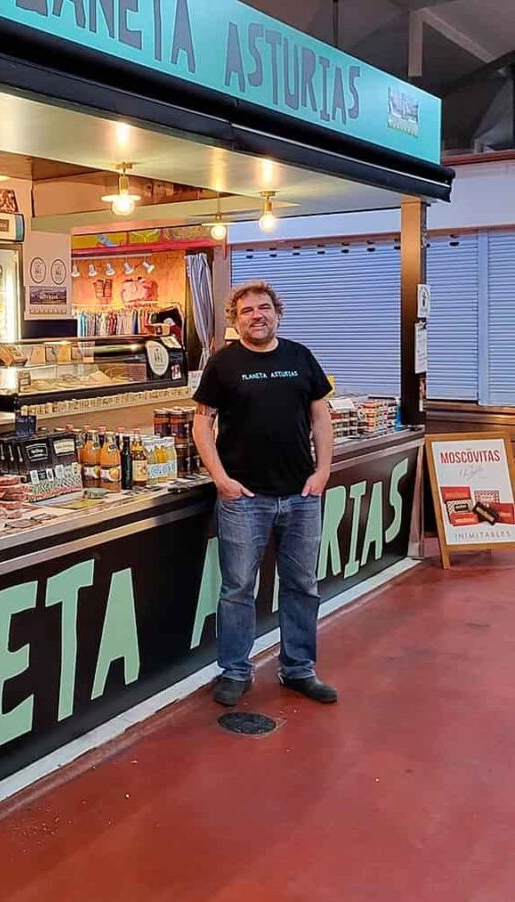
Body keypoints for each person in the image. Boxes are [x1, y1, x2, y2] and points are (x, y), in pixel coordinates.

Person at [192, 280, 337, 707]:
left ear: (278, 313)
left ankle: (298, 669)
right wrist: (220, 478)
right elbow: (202, 424)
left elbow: (321, 418)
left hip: (301, 494)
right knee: (238, 588)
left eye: (264, 308)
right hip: (244, 498)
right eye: (247, 311)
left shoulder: (299, 356)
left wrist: (324, 471)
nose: (257, 315)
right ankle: (235, 670)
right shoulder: (223, 364)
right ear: (235, 321)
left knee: (302, 585)